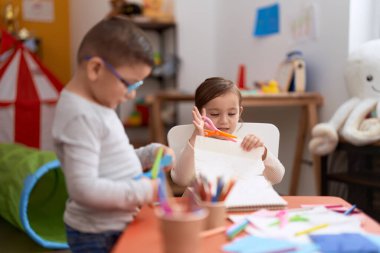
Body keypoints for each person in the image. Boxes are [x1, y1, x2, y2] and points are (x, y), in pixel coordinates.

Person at [52, 16, 175, 253]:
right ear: (95, 68)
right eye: (129, 84)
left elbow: (113, 161)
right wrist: (143, 191)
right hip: (97, 233)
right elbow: (84, 188)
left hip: (113, 225)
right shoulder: (80, 116)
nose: (131, 95)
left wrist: (149, 155)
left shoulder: (100, 105)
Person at [171, 77, 284, 188]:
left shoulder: (245, 146)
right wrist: (196, 138)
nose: (224, 121)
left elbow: (277, 177)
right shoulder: (194, 147)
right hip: (203, 206)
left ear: (239, 112)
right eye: (215, 114)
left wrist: (263, 152)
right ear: (199, 114)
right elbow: (182, 180)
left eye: (231, 114)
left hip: (240, 204)